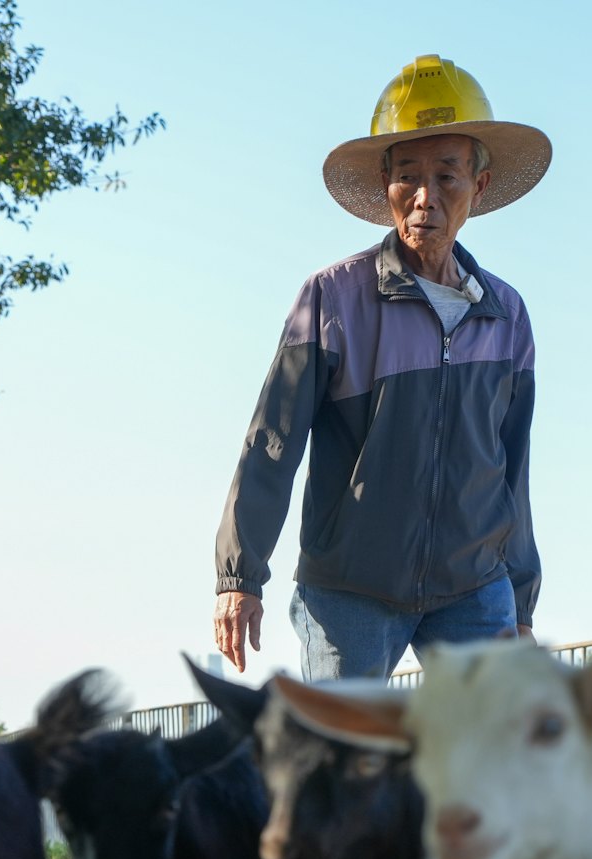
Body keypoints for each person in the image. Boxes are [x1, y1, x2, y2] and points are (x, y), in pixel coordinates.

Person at [213, 54, 550, 679]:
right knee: (341, 766)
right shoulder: (333, 298)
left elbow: (513, 466)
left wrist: (521, 599)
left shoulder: (508, 315)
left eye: (447, 176)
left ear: (477, 186)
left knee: (490, 764)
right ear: (385, 185)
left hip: (475, 591)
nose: (426, 197)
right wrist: (240, 576)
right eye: (408, 176)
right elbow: (272, 441)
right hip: (351, 592)